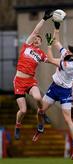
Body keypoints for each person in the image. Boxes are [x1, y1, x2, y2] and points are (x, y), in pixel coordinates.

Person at [32, 22, 73, 160]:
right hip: (54, 87)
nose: (67, 51)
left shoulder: (69, 64)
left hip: (65, 92)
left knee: (68, 119)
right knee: (40, 111)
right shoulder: (66, 55)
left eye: (70, 52)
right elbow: (57, 42)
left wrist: (47, 45)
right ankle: (40, 128)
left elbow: (52, 59)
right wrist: (57, 27)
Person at [13, 10, 52, 140]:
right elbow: (35, 31)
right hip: (19, 81)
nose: (36, 39)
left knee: (38, 98)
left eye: (39, 39)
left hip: (30, 81)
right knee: (23, 111)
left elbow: (51, 60)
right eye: (35, 38)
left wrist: (65, 63)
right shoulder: (27, 46)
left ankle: (42, 113)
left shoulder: (41, 54)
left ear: (41, 43)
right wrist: (44, 19)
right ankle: (18, 125)